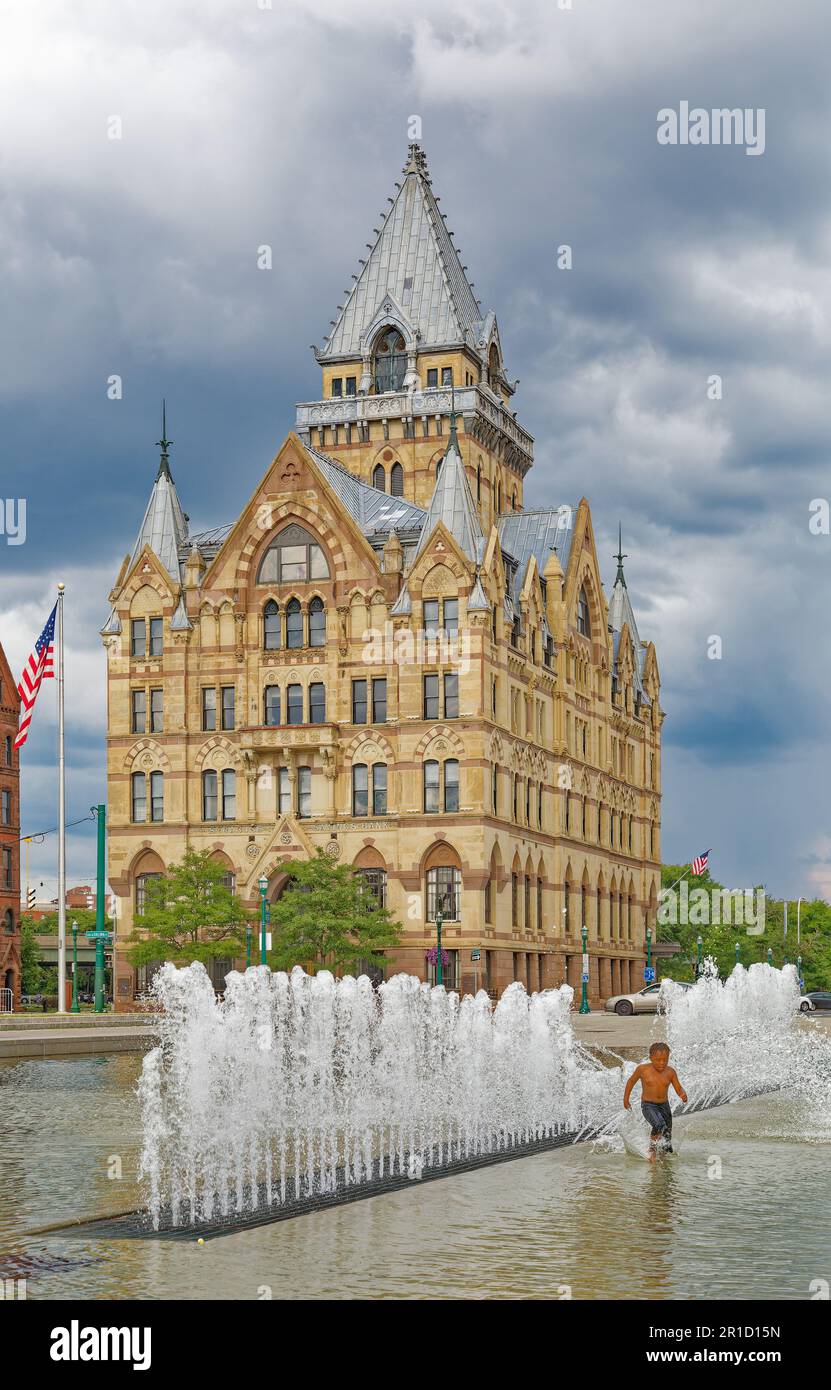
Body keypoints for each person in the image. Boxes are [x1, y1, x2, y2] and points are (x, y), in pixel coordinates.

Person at [623, 1042, 688, 1160]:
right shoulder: (642, 1069)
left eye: (665, 1060)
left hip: (664, 1106)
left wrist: (682, 1094)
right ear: (651, 1058)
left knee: (667, 1136)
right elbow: (631, 1082)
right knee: (658, 1125)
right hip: (648, 1105)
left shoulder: (670, 1072)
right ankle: (652, 1151)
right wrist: (626, 1099)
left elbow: (678, 1087)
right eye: (658, 1060)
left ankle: (663, 1158)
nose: (662, 1063)